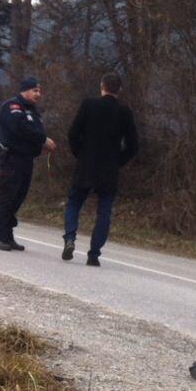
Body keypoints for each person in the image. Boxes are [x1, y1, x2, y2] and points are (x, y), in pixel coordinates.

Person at [61, 72, 139, 267]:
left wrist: (80, 154)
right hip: (109, 169)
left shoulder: (89, 105)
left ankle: (70, 238)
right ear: (119, 89)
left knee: (74, 203)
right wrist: (118, 161)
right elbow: (133, 145)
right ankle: (94, 254)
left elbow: (72, 134)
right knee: (103, 212)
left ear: (101, 86)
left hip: (86, 164)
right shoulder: (125, 112)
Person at [0, 76, 56, 250]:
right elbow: (20, 129)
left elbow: (35, 131)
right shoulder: (13, 106)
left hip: (27, 159)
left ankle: (8, 234)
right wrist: (43, 139)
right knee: (7, 197)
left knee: (18, 197)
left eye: (40, 91)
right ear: (25, 90)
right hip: (12, 158)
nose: (38, 94)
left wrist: (39, 146)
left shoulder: (33, 111)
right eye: (35, 90)